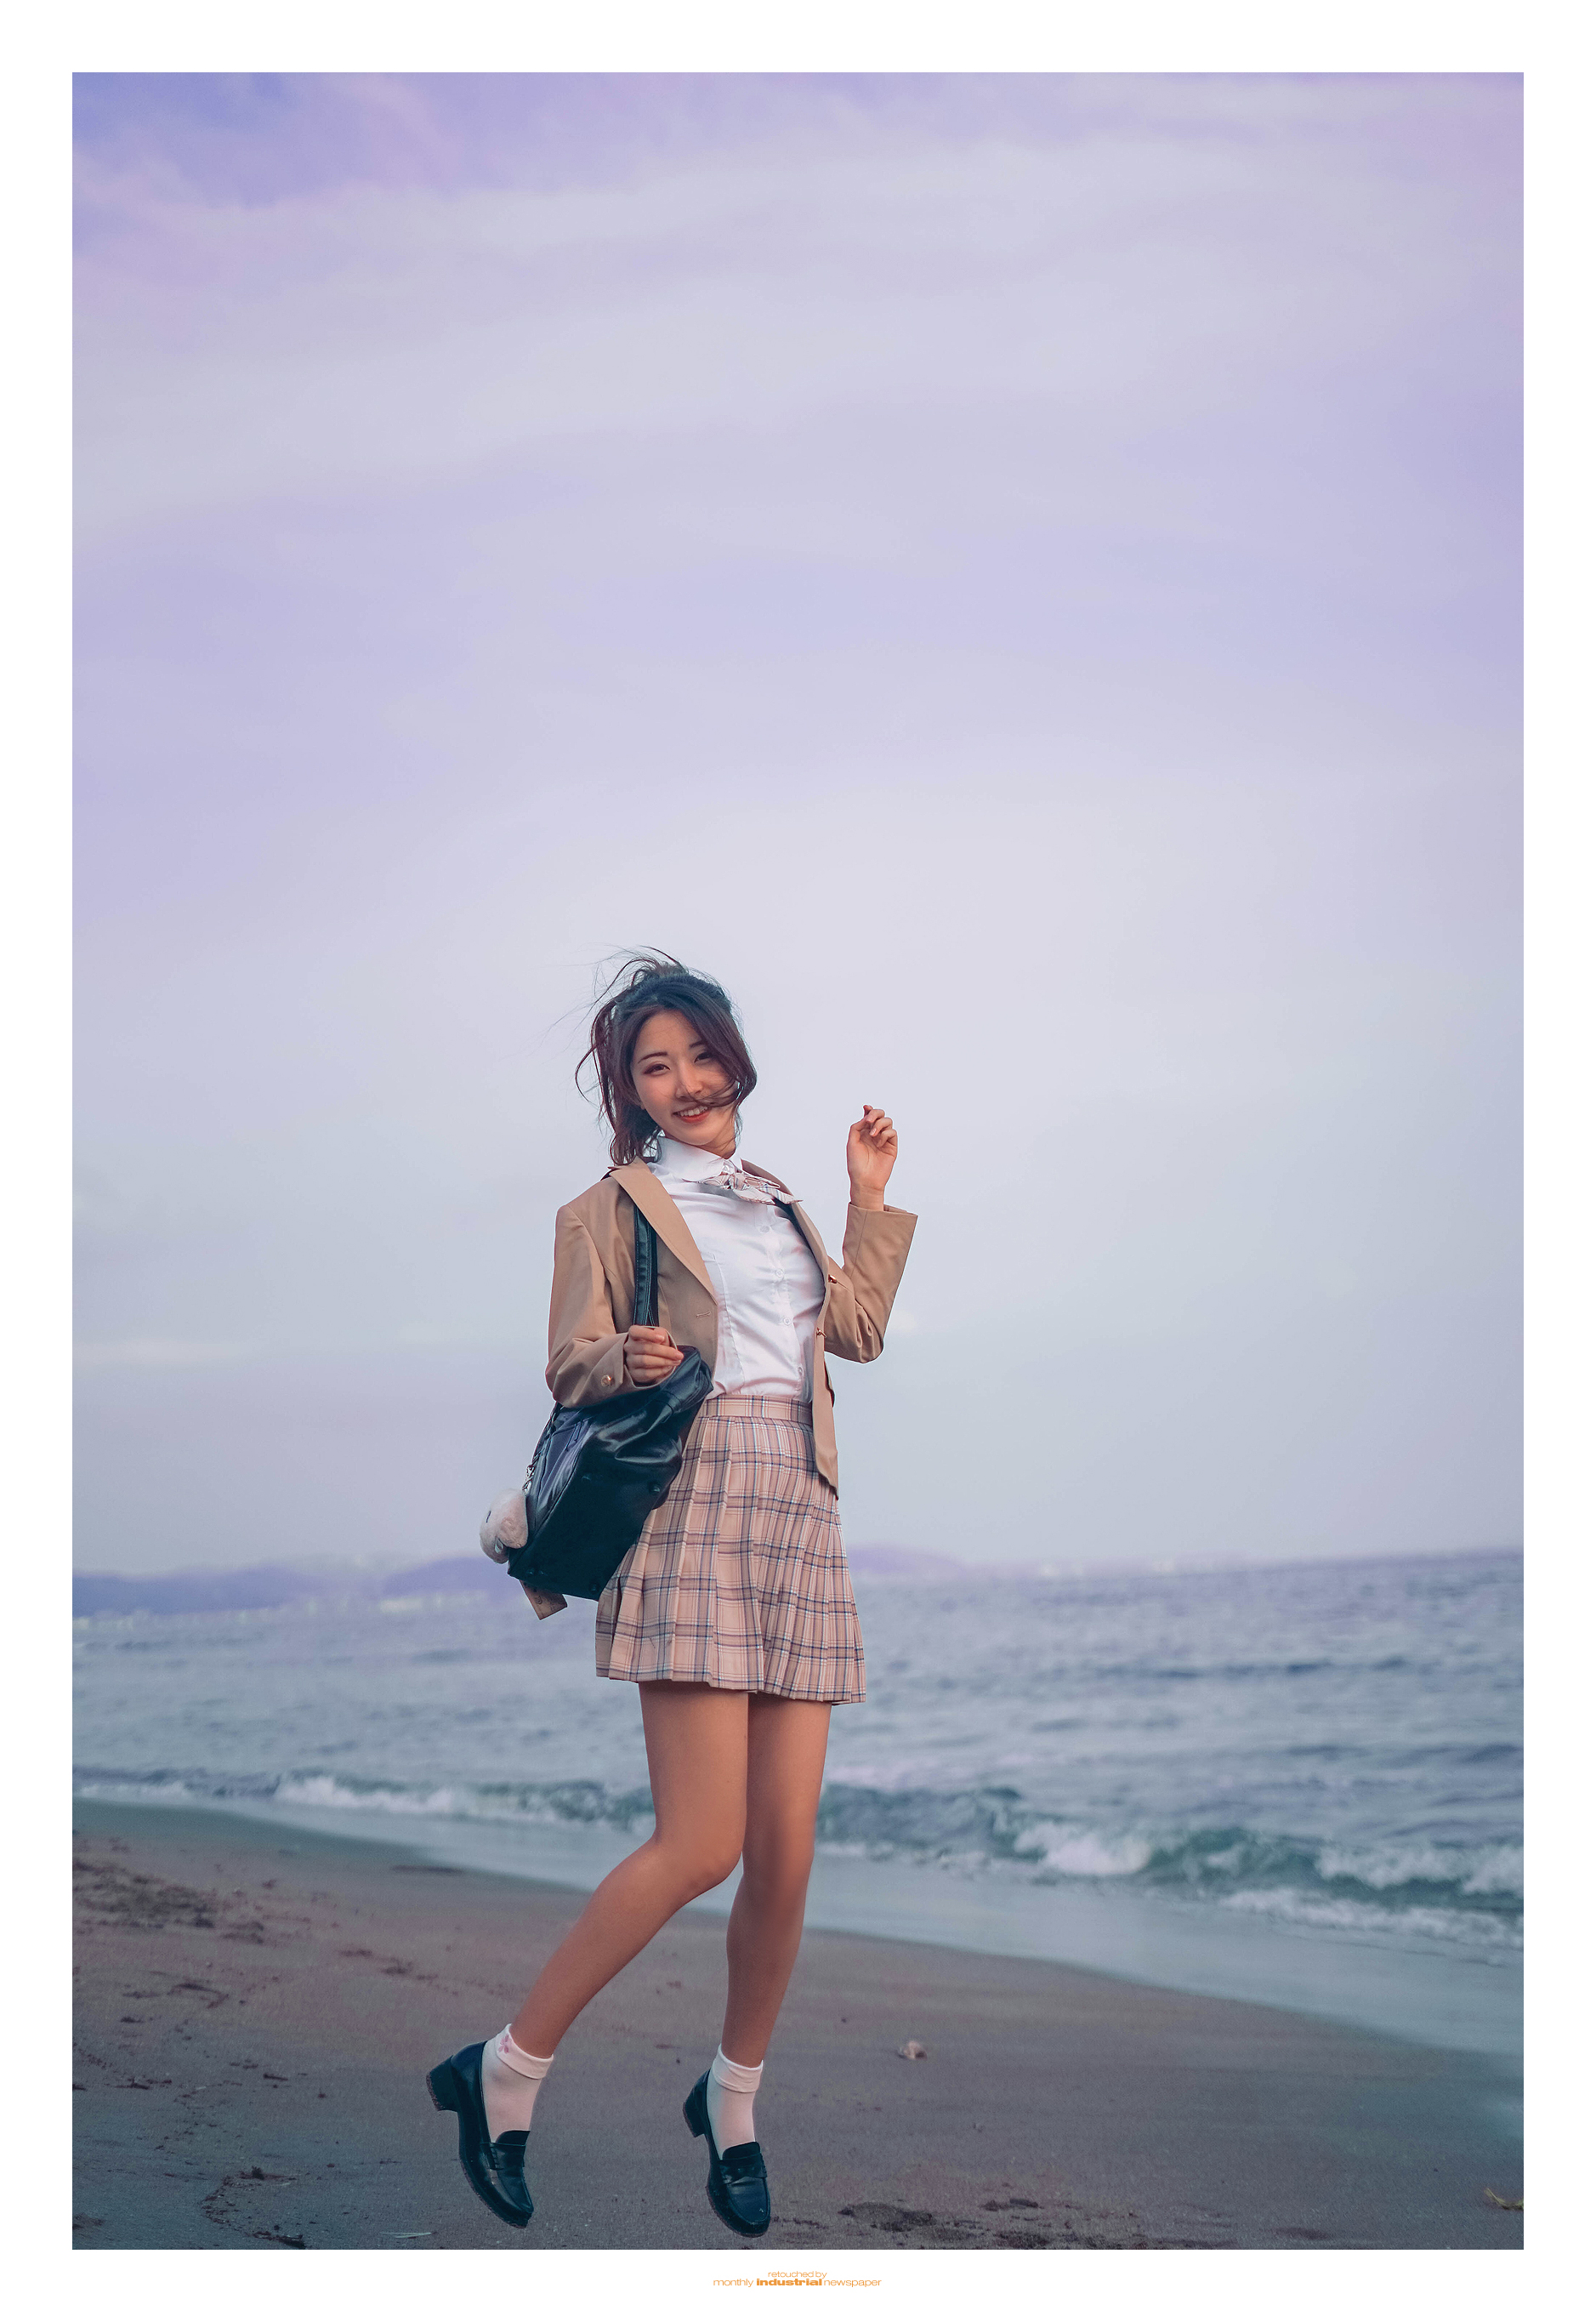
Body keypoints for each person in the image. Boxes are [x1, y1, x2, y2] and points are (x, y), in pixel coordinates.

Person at [427, 953, 916, 2238]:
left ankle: (734, 2102)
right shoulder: (605, 1210)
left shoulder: (778, 1201)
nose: (686, 1081)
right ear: (631, 1092)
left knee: (787, 1856)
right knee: (703, 1843)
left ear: (734, 1059)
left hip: (799, 1511)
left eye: (701, 1055)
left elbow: (855, 1333)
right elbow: (569, 1363)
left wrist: (867, 1201)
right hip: (692, 1508)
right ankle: (505, 2068)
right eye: (656, 1066)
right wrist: (621, 1355)